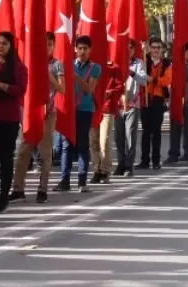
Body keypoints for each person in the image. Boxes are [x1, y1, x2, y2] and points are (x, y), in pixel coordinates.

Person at [10, 32, 63, 203]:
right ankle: (18, 189)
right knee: (24, 150)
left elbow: (62, 89)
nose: (46, 48)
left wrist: (48, 75)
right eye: (43, 44)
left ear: (53, 46)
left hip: (48, 112)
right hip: (30, 112)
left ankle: (43, 189)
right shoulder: (30, 63)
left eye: (49, 44)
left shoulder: (57, 65)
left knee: (45, 152)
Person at [0, 31, 26, 213]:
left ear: (11, 46)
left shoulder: (18, 67)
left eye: (4, 43)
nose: (0, 46)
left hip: (9, 118)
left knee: (5, 159)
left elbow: (20, 90)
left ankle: (3, 198)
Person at [58, 35, 101, 193]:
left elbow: (89, 89)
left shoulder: (95, 68)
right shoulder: (66, 65)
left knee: (82, 145)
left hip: (85, 109)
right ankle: (64, 180)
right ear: (75, 49)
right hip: (68, 110)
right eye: (80, 48)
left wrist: (75, 77)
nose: (82, 52)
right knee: (66, 145)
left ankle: (82, 181)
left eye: (85, 49)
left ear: (90, 50)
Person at [113, 41, 145, 176]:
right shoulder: (116, 62)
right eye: (126, 48)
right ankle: (120, 163)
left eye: (131, 48)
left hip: (132, 104)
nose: (129, 50)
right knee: (118, 136)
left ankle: (128, 165)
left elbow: (143, 81)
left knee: (130, 135)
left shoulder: (138, 63)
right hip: (118, 105)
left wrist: (131, 73)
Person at [139, 38, 171, 169]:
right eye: (153, 47)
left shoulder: (167, 63)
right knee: (146, 131)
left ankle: (156, 161)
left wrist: (152, 79)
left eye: (158, 47)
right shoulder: (143, 61)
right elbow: (139, 76)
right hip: (145, 99)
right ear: (149, 48)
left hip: (158, 99)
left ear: (162, 49)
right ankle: (144, 161)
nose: (156, 50)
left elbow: (167, 80)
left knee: (156, 131)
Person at [90, 54, 122, 184]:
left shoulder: (114, 68)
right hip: (92, 107)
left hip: (107, 107)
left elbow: (120, 87)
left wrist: (109, 92)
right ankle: (96, 170)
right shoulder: (90, 67)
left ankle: (105, 171)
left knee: (104, 140)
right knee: (94, 141)